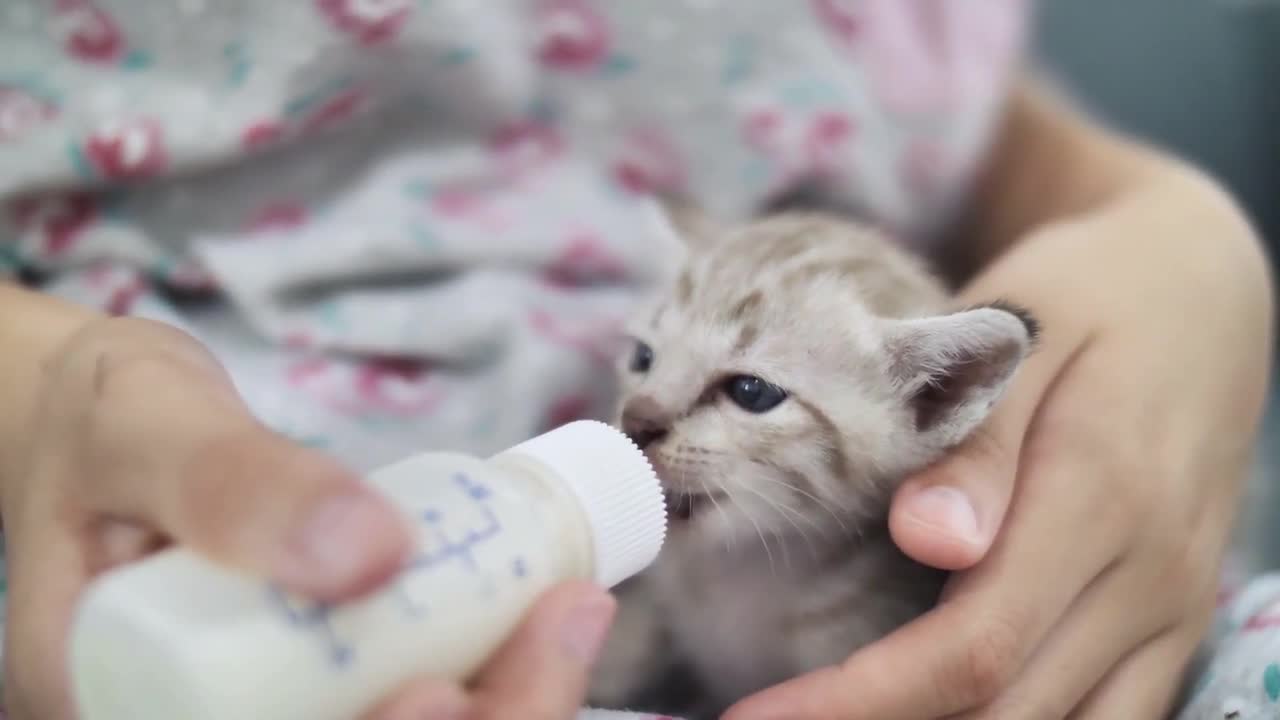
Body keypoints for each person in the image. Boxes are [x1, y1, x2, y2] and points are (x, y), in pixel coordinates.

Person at [0, 2, 1272, 719]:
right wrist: (52, 383)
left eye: (744, 393)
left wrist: (1167, 222)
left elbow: (963, 116)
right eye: (650, 360)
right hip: (152, 526)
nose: (642, 412)